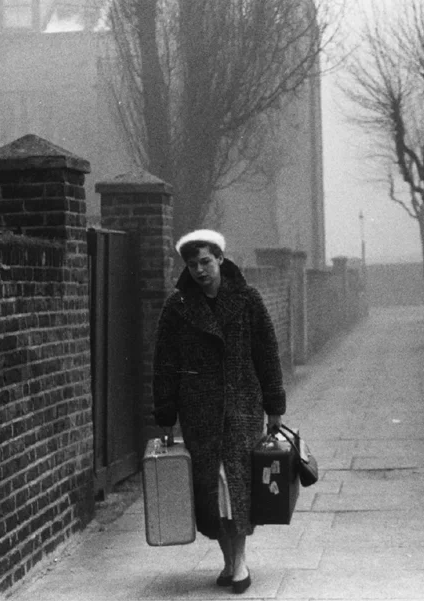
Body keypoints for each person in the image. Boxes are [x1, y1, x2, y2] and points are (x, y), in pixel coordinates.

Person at [152, 229, 286, 595]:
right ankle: (229, 562)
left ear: (221, 259)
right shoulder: (177, 307)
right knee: (213, 490)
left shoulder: (248, 300)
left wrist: (275, 407)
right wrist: (165, 416)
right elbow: (164, 364)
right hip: (199, 413)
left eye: (206, 261)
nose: (199, 270)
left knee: (236, 485)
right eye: (192, 264)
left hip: (242, 407)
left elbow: (268, 355)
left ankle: (239, 564)